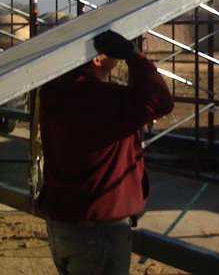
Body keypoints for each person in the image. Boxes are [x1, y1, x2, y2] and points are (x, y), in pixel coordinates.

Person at [37, 30, 174, 274]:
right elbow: (160, 100)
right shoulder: (102, 99)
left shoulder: (52, 92)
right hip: (97, 231)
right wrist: (134, 57)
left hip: (62, 224)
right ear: (97, 58)